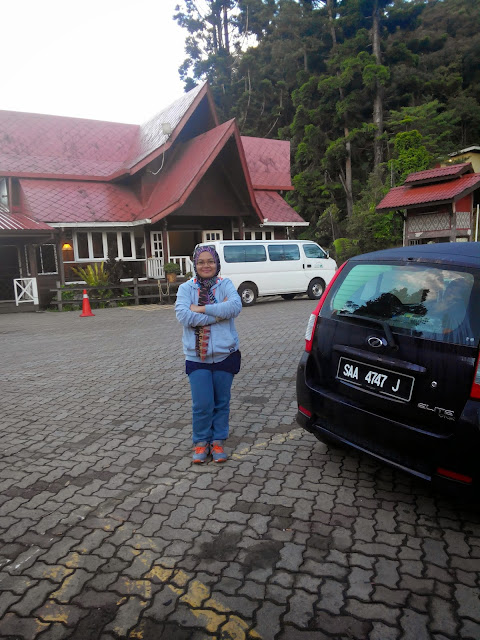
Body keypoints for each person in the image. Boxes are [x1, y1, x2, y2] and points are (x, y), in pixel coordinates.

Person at [175, 246, 242, 464]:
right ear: (195, 264)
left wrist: (201, 309)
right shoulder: (186, 288)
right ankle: (201, 441)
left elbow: (235, 306)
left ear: (217, 263)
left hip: (225, 354)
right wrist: (218, 313)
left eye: (210, 261)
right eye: (201, 262)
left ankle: (218, 441)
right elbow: (184, 316)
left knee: (222, 402)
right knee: (202, 404)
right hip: (197, 358)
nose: (206, 266)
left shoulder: (226, 285)